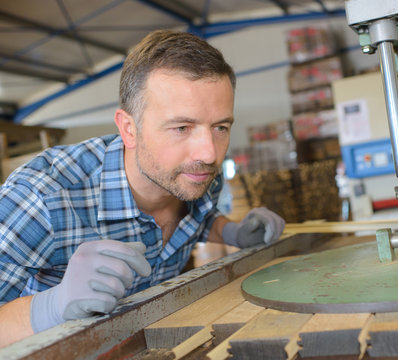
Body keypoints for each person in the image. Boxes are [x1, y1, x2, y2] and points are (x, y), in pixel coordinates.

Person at [0, 30, 285, 347]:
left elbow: (197, 219)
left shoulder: (194, 174)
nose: (209, 153)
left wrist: (232, 233)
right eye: (181, 127)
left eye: (220, 127)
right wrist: (50, 307)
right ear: (128, 129)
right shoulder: (42, 197)